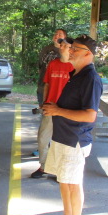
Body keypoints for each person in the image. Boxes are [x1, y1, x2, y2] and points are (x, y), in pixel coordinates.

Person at [40, 34, 103, 215]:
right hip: (62, 136)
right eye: (71, 47)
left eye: (76, 48)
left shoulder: (91, 78)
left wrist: (57, 110)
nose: (71, 51)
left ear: (88, 53)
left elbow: (90, 115)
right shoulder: (76, 73)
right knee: (64, 180)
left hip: (75, 140)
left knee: (74, 184)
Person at [30, 36, 73, 178]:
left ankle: (60, 170)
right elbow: (47, 84)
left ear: (71, 49)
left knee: (61, 142)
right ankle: (44, 167)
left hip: (66, 110)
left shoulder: (74, 66)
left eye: (64, 46)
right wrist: (44, 102)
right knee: (43, 138)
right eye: (61, 45)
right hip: (50, 107)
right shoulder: (53, 64)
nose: (61, 47)